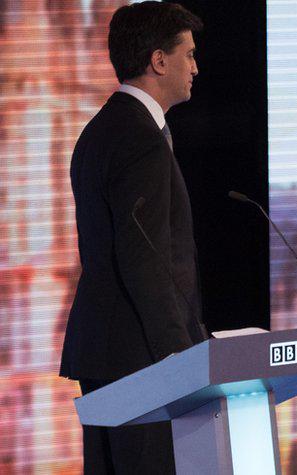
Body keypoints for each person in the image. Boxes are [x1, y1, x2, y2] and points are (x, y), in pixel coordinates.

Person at [59, 2, 206, 473]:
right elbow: (145, 261)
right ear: (158, 61)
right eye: (188, 54)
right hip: (139, 358)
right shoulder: (139, 137)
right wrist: (181, 360)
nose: (195, 67)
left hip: (106, 349)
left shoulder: (101, 130)